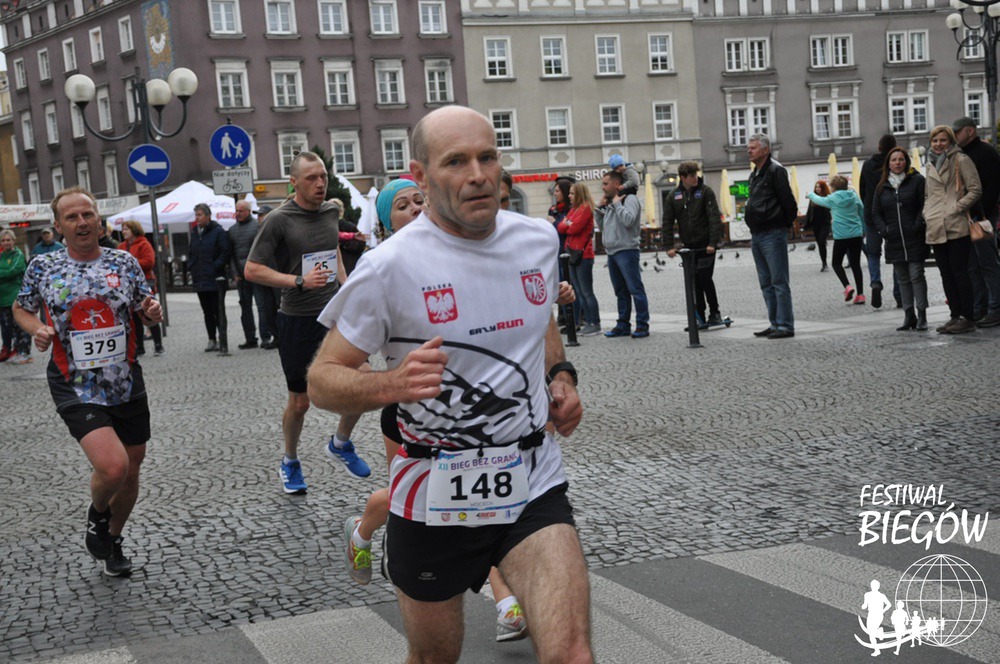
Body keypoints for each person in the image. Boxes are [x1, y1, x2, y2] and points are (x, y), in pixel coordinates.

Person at [307, 105, 592, 664]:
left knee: (571, 654)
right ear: (421, 175)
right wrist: (392, 384)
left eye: (487, 157)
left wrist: (560, 377)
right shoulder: (388, 266)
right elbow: (322, 380)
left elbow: (540, 320)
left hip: (531, 476)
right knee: (436, 657)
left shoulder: (537, 239)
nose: (478, 174)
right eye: (456, 161)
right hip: (433, 490)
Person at [12, 186, 162, 577]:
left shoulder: (124, 262)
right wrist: (37, 329)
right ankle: (98, 515)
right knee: (113, 467)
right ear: (58, 225)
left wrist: (152, 312)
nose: (82, 222)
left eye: (87, 215)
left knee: (132, 467)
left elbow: (144, 308)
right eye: (72, 217)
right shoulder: (43, 266)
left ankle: (112, 539)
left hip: (125, 379)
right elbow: (21, 308)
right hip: (73, 382)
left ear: (99, 220)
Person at [244, 152, 370, 494]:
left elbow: (334, 250)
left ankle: (341, 442)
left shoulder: (330, 211)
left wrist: (346, 286)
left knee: (364, 378)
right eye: (311, 178)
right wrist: (298, 281)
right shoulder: (278, 220)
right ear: (294, 182)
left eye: (323, 176)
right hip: (297, 319)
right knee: (300, 402)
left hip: (333, 315)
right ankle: (290, 461)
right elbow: (252, 269)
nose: (320, 183)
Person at [923, 124, 982, 335]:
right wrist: (927, 212)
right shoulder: (929, 164)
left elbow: (975, 189)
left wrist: (957, 207)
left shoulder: (961, 159)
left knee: (960, 273)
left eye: (943, 140)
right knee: (946, 274)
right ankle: (954, 315)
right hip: (935, 224)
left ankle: (967, 317)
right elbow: (928, 194)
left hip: (956, 224)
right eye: (935, 140)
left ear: (950, 141)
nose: (938, 144)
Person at [745, 134, 797, 339]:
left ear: (765, 150)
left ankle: (785, 325)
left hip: (773, 232)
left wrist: (783, 224)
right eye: (749, 148)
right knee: (766, 282)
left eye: (753, 148)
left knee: (779, 281)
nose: (749, 151)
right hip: (757, 233)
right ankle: (775, 322)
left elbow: (788, 202)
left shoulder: (776, 171)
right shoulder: (755, 174)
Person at [872, 147, 929, 331]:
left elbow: (924, 204)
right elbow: (875, 212)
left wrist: (917, 224)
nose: (897, 163)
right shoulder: (882, 186)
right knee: (902, 278)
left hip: (914, 237)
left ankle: (922, 315)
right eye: (894, 160)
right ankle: (908, 314)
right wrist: (884, 230)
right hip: (894, 239)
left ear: (906, 162)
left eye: (901, 159)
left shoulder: (917, 181)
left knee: (916, 275)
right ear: (888, 164)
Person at [661, 161, 725, 326]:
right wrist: (669, 246)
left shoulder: (705, 192)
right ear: (683, 178)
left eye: (696, 175)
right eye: (691, 176)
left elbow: (714, 218)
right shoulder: (674, 196)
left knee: (705, 278)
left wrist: (713, 243)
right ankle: (699, 315)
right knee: (694, 281)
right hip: (689, 246)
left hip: (706, 245)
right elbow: (667, 221)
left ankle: (715, 312)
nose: (695, 178)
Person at [953, 116, 1000, 328]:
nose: (955, 135)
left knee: (988, 263)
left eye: (958, 132)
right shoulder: (962, 154)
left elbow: (992, 187)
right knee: (973, 266)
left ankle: (995, 309)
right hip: (968, 217)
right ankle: (979, 308)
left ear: (970, 131)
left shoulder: (986, 153)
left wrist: (982, 216)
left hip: (981, 217)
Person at [595, 169, 649, 338]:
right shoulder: (613, 202)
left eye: (605, 184)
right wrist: (599, 209)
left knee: (635, 289)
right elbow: (604, 227)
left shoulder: (629, 199)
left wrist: (617, 205)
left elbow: (629, 221)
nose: (603, 187)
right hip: (612, 252)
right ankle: (623, 324)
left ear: (616, 184)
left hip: (627, 250)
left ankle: (642, 325)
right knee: (620, 291)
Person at [807, 175, 866, 304]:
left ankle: (847, 286)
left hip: (841, 236)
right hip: (856, 235)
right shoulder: (854, 196)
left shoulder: (832, 199)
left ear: (833, 187)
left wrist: (810, 194)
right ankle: (861, 295)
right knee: (856, 265)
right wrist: (863, 230)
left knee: (836, 263)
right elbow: (862, 212)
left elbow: (819, 200)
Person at [228, 200, 275, 350]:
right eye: (237, 210)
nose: (238, 213)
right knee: (245, 307)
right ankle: (250, 338)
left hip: (256, 273)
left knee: (262, 306)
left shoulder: (257, 227)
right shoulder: (232, 230)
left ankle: (265, 337)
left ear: (249, 211)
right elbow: (231, 255)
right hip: (241, 275)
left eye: (241, 210)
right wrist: (234, 273)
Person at [860, 134, 897, 309]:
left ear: (879, 147)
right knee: (897, 253)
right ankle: (899, 293)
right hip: (892, 214)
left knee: (873, 253)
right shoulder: (895, 164)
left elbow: (862, 190)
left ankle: (875, 282)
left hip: (871, 214)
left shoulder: (867, 165)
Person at [187, 204, 232, 352]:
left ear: (208, 216)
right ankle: (211, 339)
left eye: (200, 215)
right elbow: (192, 252)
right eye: (196, 215)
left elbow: (225, 252)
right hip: (200, 278)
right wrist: (191, 266)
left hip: (215, 278)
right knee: (206, 311)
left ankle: (223, 339)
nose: (197, 218)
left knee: (218, 310)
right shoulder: (195, 232)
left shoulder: (218, 232)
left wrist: (215, 266)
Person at [559, 182, 601, 336]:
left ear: (579, 194)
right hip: (572, 254)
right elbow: (561, 227)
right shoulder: (574, 209)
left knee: (586, 291)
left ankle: (594, 323)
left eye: (572, 193)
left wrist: (568, 224)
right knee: (578, 291)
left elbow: (574, 228)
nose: (569, 196)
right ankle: (588, 322)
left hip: (583, 255)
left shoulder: (585, 208)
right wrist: (567, 224)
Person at [118, 221, 165, 355]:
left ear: (134, 230)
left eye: (126, 229)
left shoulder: (144, 244)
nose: (124, 231)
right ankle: (139, 346)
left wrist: (131, 262)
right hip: (127, 286)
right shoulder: (121, 246)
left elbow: (149, 262)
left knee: (149, 313)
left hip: (144, 284)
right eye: (123, 229)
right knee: (135, 317)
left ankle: (158, 345)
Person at [1, 229, 33, 364]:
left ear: (13, 241)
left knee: (21, 326)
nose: (6, 242)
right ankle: (18, 350)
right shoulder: (2, 256)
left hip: (15, 297)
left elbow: (13, 271)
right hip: (3, 299)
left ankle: (26, 352)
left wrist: (3, 273)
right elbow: (6, 273)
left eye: (8, 240)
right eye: (3, 240)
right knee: (11, 327)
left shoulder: (18, 255)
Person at [804, 181, 832, 272]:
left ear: (823, 188)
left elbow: (830, 210)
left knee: (821, 241)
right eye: (816, 187)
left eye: (819, 187)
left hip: (825, 223)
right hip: (816, 224)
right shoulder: (813, 199)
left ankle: (825, 264)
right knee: (820, 244)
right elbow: (809, 212)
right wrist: (806, 224)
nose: (817, 189)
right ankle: (824, 263)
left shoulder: (827, 198)